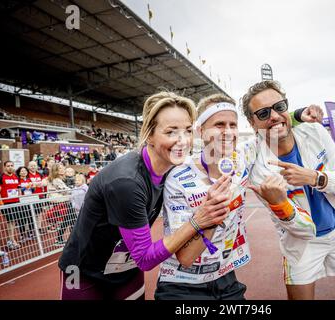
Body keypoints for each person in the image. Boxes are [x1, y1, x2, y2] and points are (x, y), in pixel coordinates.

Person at [58, 92, 230, 300]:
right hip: (83, 271)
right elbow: (146, 259)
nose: (183, 141)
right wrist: (198, 221)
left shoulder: (171, 169)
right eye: (171, 132)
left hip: (126, 270)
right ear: (149, 135)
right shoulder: (126, 182)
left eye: (187, 131)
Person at [155, 94, 323, 300]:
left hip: (226, 279)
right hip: (182, 284)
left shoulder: (241, 158)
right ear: (200, 131)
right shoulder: (179, 177)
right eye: (219, 125)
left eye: (232, 125)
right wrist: (211, 216)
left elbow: (269, 130)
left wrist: (297, 115)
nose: (228, 132)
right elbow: (186, 258)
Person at [242, 80, 335, 300]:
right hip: (300, 243)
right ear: (252, 123)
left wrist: (315, 177)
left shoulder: (314, 131)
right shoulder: (260, 169)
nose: (273, 116)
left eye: (279, 107)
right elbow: (300, 229)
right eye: (263, 113)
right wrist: (280, 204)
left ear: (287, 108)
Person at [0, 161, 21, 249]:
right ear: (4, 167)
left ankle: (10, 239)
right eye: (8, 166)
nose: (10, 167)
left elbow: (18, 189)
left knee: (14, 221)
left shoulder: (15, 176)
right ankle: (12, 240)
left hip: (16, 202)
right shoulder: (1, 177)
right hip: (7, 203)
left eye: (12, 165)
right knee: (10, 221)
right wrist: (1, 204)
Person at [16, 166, 36, 242]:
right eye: (22, 171)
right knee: (22, 218)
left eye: (25, 171)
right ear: (19, 172)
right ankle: (22, 235)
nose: (23, 172)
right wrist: (25, 187)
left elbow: (33, 190)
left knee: (31, 217)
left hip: (30, 200)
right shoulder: (18, 180)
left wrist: (33, 187)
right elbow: (18, 190)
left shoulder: (29, 179)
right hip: (21, 201)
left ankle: (31, 233)